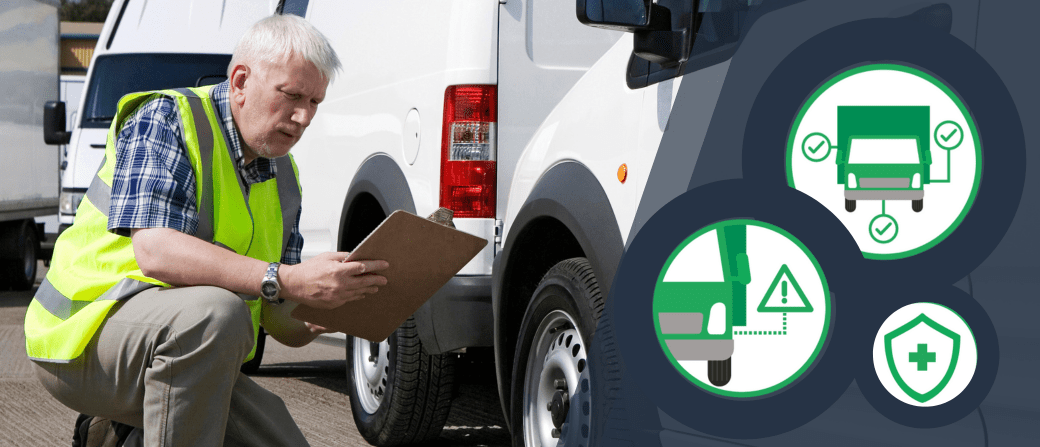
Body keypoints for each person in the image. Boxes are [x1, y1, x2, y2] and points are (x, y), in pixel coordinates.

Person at [24, 14, 387, 446]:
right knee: (217, 314)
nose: (303, 116)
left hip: (187, 351)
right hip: (79, 342)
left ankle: (125, 433)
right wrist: (286, 278)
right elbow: (155, 250)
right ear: (240, 81)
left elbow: (278, 320)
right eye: (291, 95)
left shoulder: (284, 177)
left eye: (315, 102)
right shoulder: (166, 118)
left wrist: (328, 303)